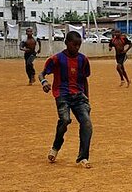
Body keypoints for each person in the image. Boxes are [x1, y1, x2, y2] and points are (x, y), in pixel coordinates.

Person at [38, 31, 93, 168]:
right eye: (74, 45)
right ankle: (56, 146)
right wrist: (44, 82)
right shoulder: (56, 59)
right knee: (65, 120)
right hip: (62, 95)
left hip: (79, 97)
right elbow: (41, 73)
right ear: (66, 43)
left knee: (87, 124)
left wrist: (87, 99)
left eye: (79, 45)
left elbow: (84, 79)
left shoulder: (83, 59)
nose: (77, 48)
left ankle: (83, 157)